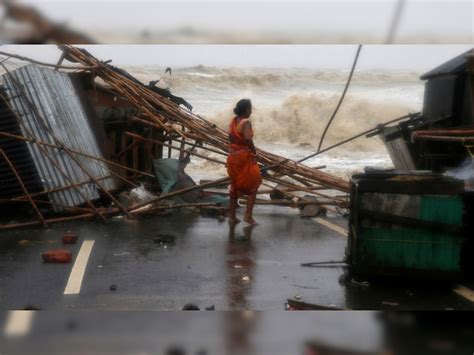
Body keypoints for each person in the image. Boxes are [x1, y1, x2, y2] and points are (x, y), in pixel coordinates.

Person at [227, 99, 262, 225]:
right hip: (244, 158)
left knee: (234, 186)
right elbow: (248, 139)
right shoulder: (246, 122)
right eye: (250, 109)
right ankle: (248, 216)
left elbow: (230, 138)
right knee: (254, 184)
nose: (251, 111)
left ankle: (231, 217)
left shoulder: (233, 121)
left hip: (232, 157)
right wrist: (254, 152)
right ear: (246, 109)